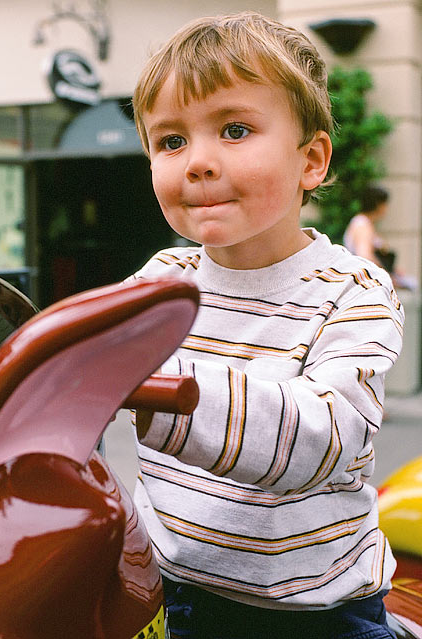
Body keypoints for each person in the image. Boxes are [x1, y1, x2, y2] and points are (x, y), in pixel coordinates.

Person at [128, 12, 404, 638]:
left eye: (233, 129)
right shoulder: (157, 283)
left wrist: (159, 387)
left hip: (319, 613)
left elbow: (327, 436)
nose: (197, 161)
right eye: (171, 141)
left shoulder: (352, 290)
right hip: (175, 593)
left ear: (310, 161)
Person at [344, 186, 417, 290]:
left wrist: (394, 271)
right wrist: (386, 274)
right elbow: (364, 255)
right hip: (367, 283)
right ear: (378, 204)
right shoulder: (362, 224)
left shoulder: (366, 223)